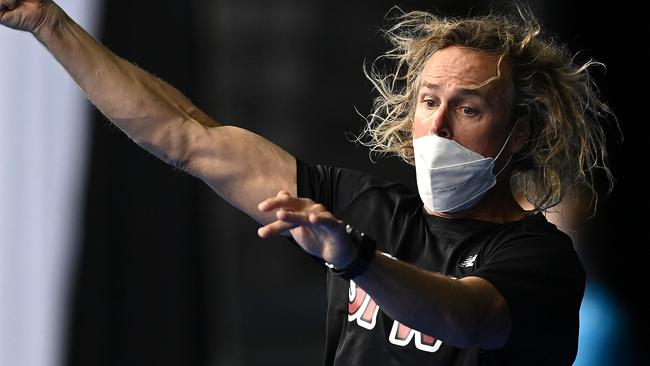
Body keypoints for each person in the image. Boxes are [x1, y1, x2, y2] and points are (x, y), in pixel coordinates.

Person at [0, 1, 615, 365]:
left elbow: (469, 316)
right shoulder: (367, 208)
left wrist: (356, 260)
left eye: (470, 108)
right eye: (430, 101)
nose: (440, 125)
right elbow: (186, 137)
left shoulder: (541, 259)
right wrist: (53, 24)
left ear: (523, 132)